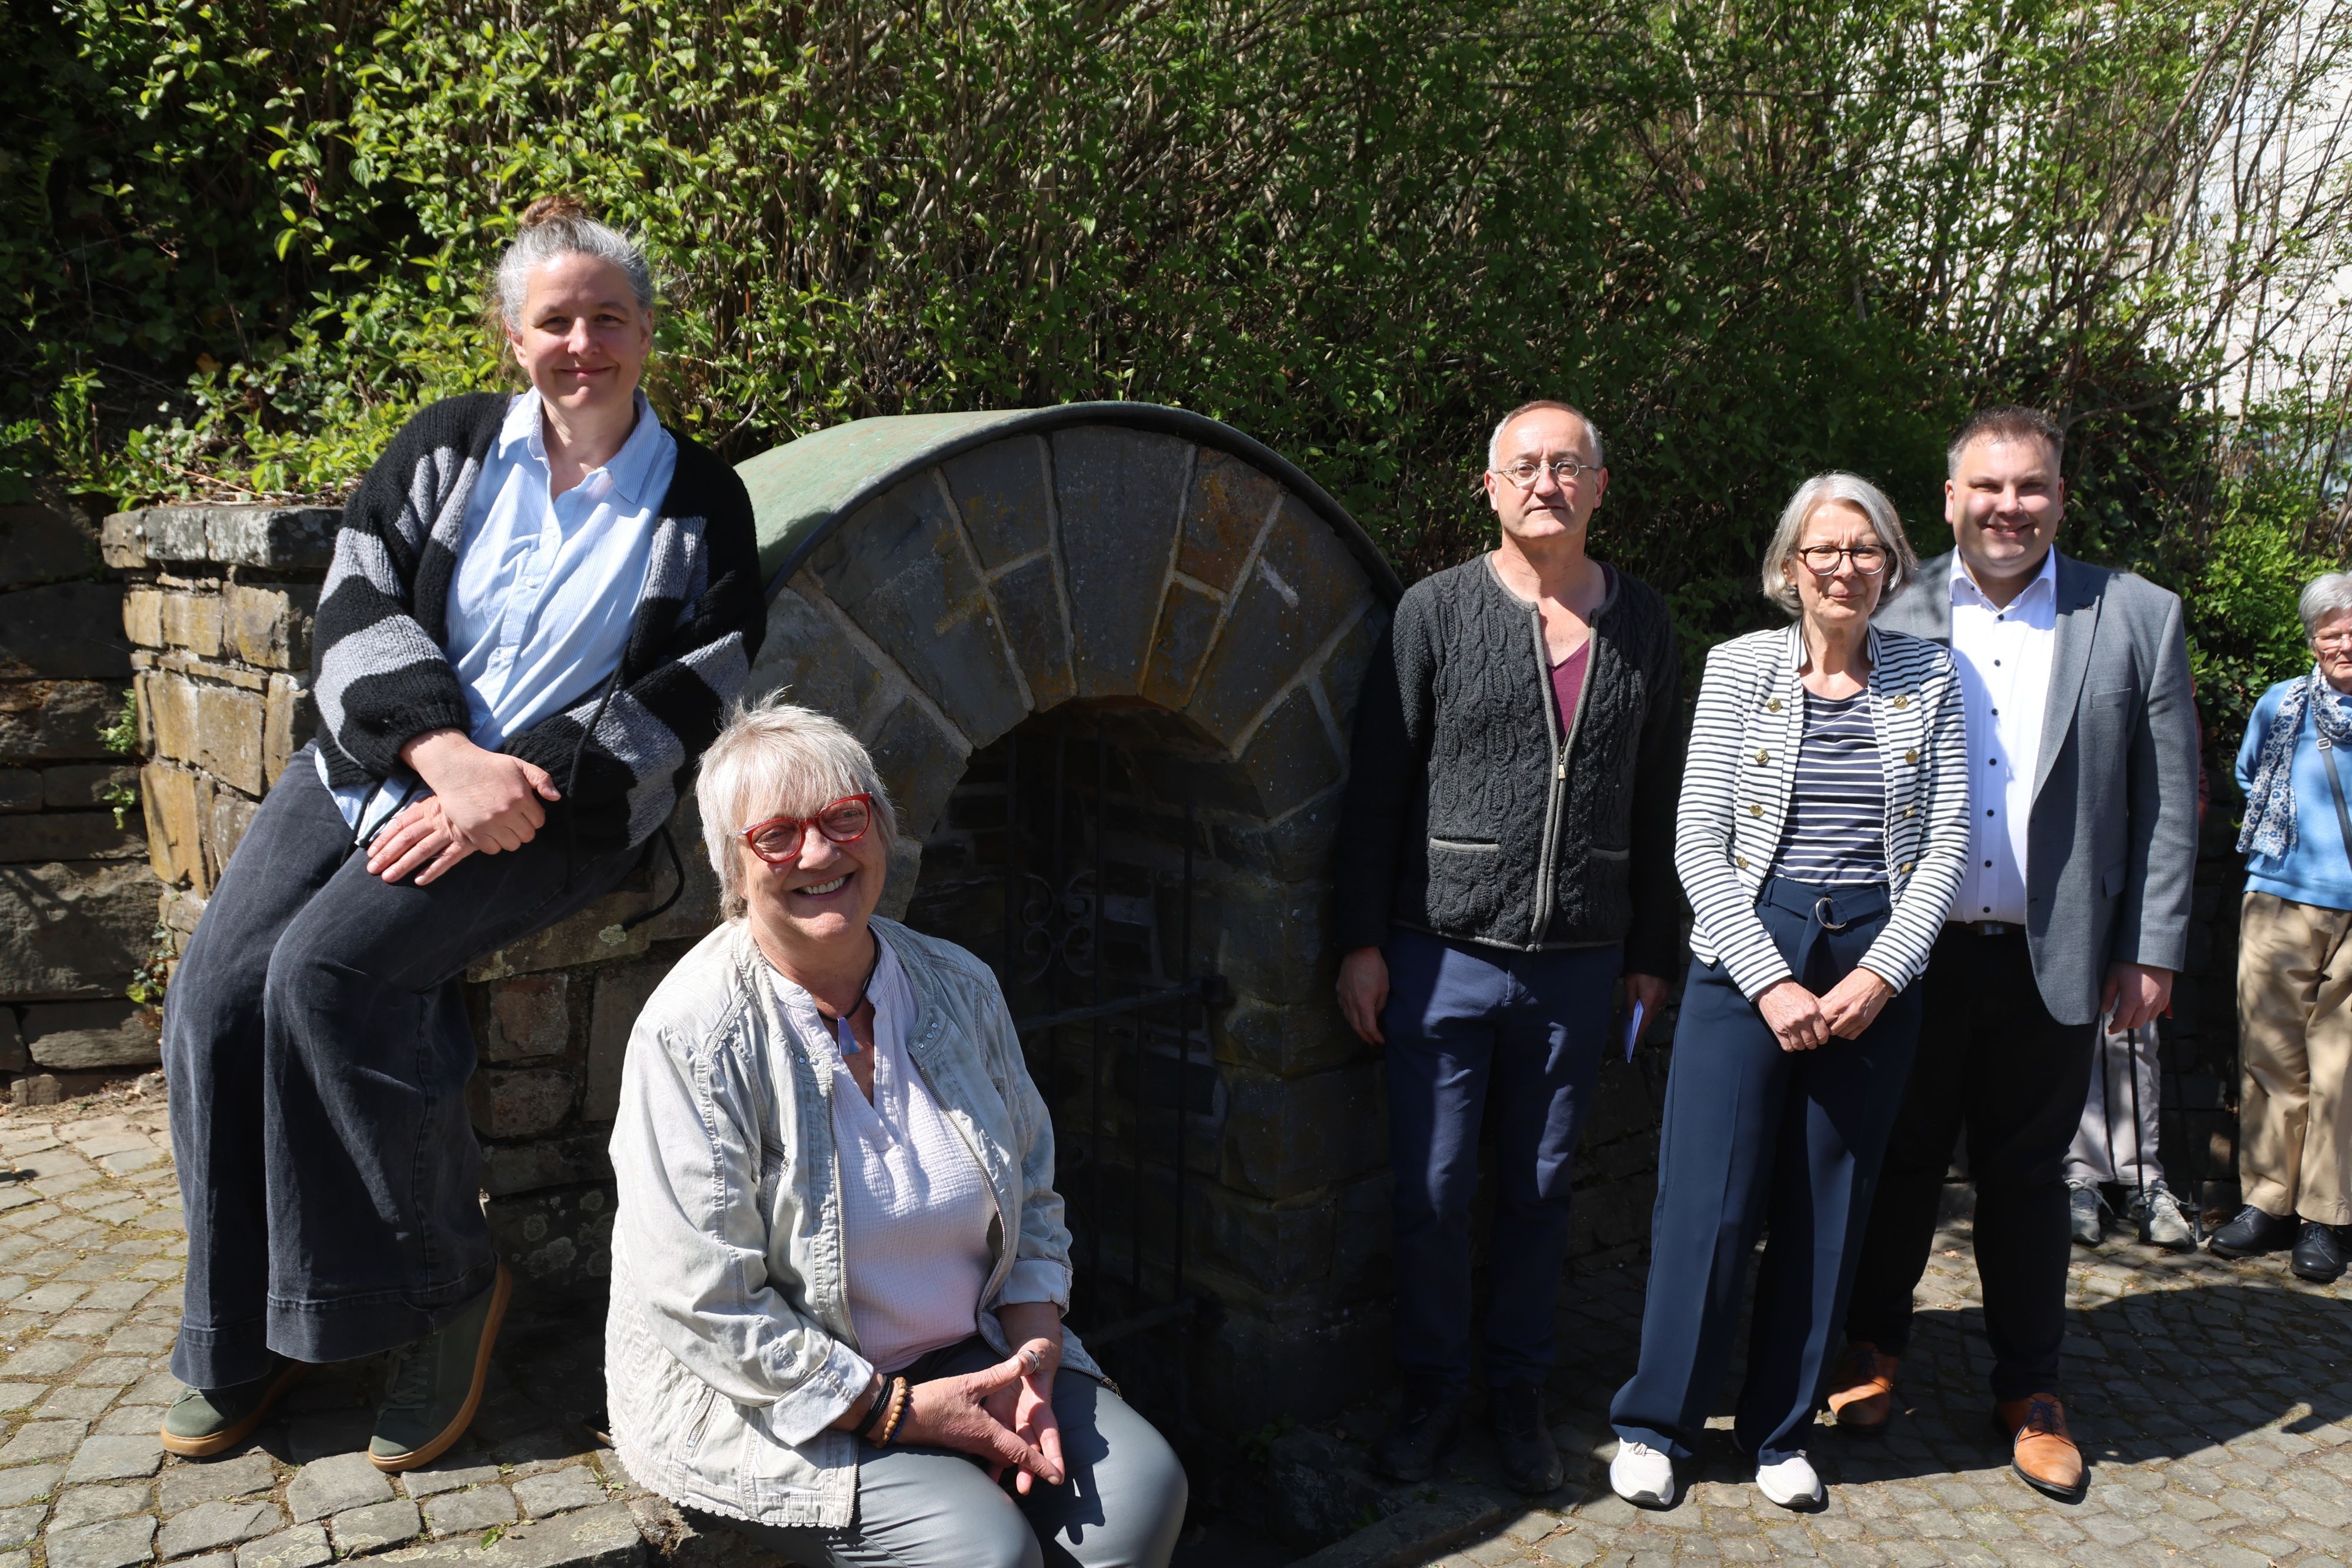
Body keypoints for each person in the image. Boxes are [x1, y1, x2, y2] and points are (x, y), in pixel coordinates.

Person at [156, 196, 765, 1469]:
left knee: (327, 975)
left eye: (608, 316)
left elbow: (693, 684)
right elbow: (356, 603)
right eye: (556, 319)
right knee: (214, 995)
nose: (582, 342)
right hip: (376, 763)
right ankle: (239, 1323)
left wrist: (511, 788)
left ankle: (446, 1287)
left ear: (648, 330)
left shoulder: (701, 503)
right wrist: (439, 752)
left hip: (563, 810)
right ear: (512, 332)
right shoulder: (444, 450)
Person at [605, 698, 1188, 1568]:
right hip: (780, 1390)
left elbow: (1032, 1190)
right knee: (985, 1553)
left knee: (1143, 1496)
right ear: (733, 865)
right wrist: (901, 1411)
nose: (820, 851)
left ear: (881, 827)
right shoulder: (692, 1035)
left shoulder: (959, 984)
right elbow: (708, 1300)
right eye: (777, 834)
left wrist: (1031, 1361)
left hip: (977, 1344)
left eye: (845, 816)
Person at [1826, 407, 2199, 1503]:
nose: (2008, 507)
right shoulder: (1887, 604)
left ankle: (2031, 1387)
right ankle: (1872, 1348)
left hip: (2059, 951)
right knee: (1895, 1161)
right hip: (1909, 951)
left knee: (2029, 1178)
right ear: (1948, 501)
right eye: (1986, 488)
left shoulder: (2135, 614)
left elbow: (2169, 801)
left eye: (2030, 487)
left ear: (2059, 497)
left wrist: (2154, 947)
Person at [1334, 400, 1684, 1494]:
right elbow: (1378, 790)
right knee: (1433, 1192)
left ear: (1598, 487)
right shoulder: (1433, 613)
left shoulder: (1647, 625)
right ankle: (1435, 1391)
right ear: (1490, 488)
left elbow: (1661, 797)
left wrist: (1652, 952)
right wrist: (1357, 942)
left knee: (1541, 1188)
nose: (1546, 483)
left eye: (1566, 465)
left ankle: (1520, 1396)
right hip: (1440, 952)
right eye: (1524, 467)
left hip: (1581, 960)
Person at [1606, 474, 1967, 1512]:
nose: (1845, 568)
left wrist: (1881, 973)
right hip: (1747, 948)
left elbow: (1947, 841)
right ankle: (1657, 1424)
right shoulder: (1737, 669)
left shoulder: (1929, 678)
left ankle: (1777, 1433)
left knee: (1827, 1204)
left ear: (1893, 567)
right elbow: (1698, 843)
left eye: (1867, 551)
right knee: (1706, 1206)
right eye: (1826, 550)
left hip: (1871, 957)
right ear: (1789, 567)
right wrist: (1767, 979)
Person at [2209, 572, 2352, 1283]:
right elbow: (2248, 776)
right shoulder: (2280, 705)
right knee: (2269, 1057)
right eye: (2331, 630)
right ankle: (2265, 1202)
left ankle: (2325, 1218)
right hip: (2280, 895)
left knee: (2342, 1069)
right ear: (2312, 639)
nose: (2343, 641)